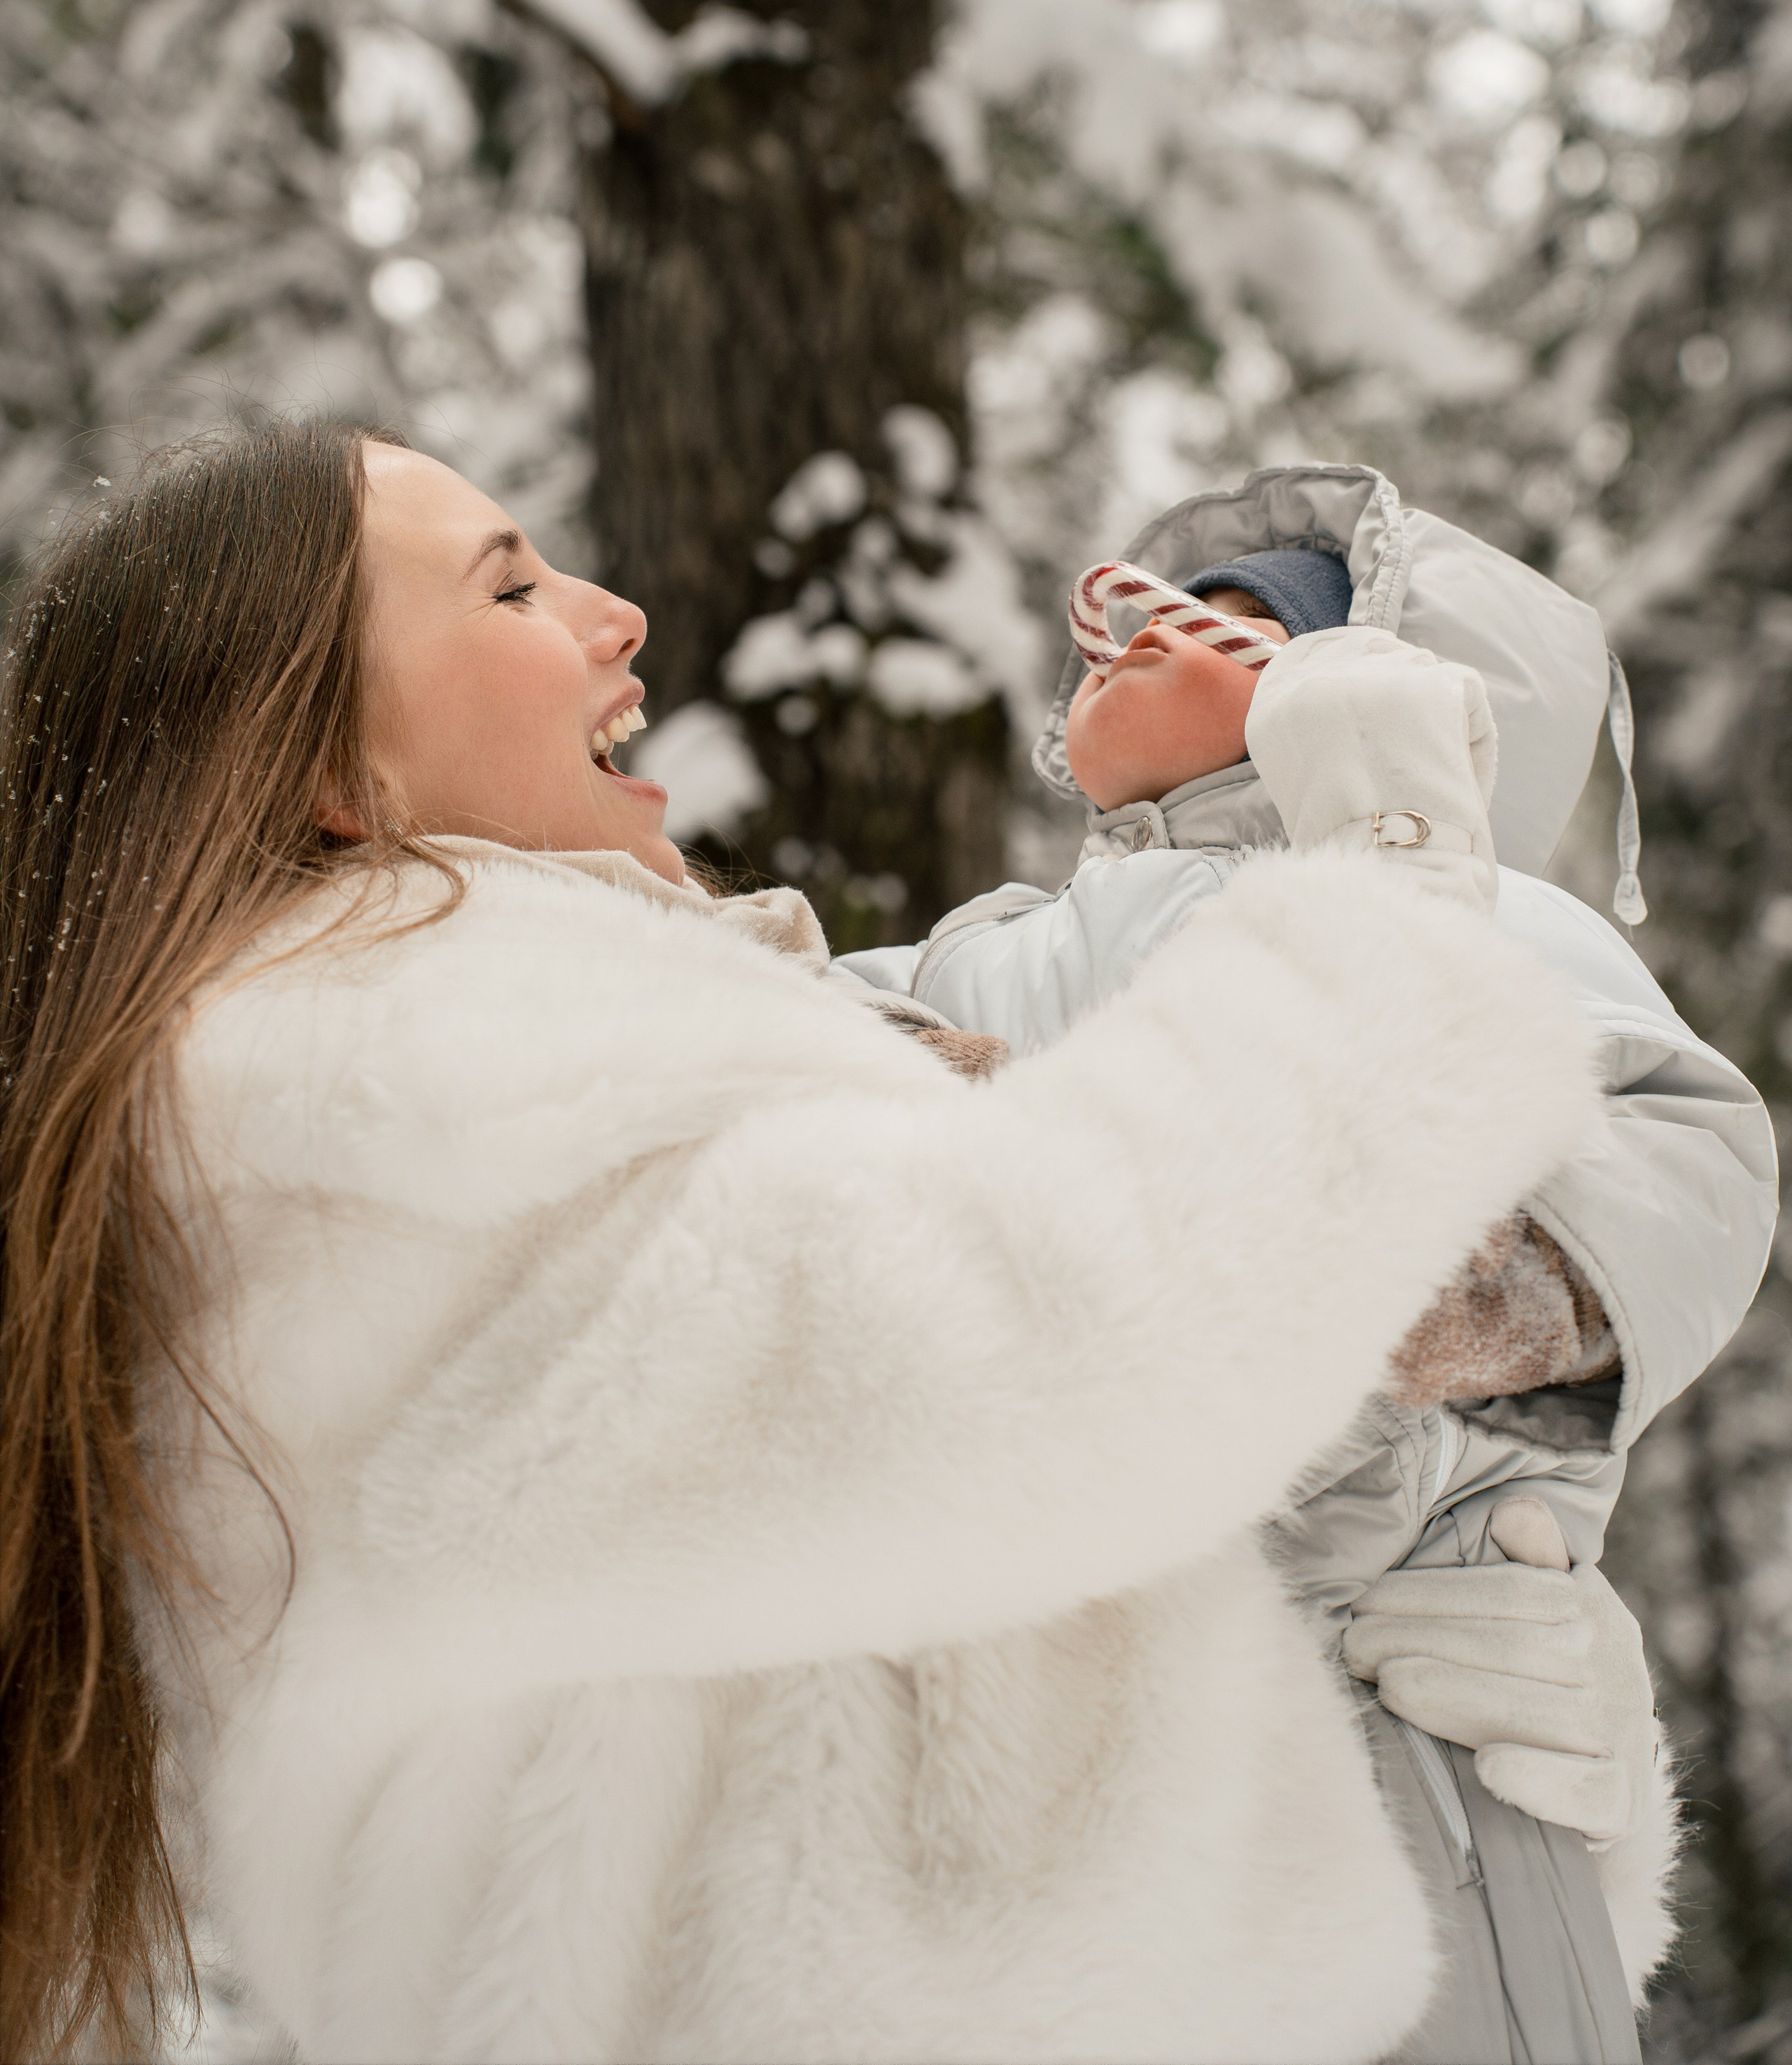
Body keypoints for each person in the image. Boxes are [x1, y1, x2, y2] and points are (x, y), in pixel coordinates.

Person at [0, 419, 1657, 2065]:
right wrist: (1383, 877)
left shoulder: (482, 1075)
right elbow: (1066, 1352)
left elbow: (903, 1628)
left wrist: (1445, 1755)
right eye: (506, 590)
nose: (612, 611)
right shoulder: (385, 1106)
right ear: (326, 767)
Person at [839, 459, 1775, 2063]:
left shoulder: (1512, 932)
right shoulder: (972, 952)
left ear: (1381, 692)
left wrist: (1393, 861)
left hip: (1400, 1757)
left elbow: (1581, 1246)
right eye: (1134, 603)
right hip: (1024, 1783)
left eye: (1236, 624)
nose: (1135, 631)